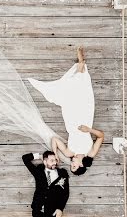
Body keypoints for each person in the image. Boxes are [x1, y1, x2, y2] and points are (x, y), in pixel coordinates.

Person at [27, 46, 105, 174]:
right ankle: (81, 67)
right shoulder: (90, 153)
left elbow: (55, 140)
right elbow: (101, 136)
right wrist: (89, 130)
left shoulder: (70, 152)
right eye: (73, 166)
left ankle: (80, 67)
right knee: (84, 94)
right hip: (86, 120)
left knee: (69, 97)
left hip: (71, 119)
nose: (71, 163)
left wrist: (55, 153)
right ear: (80, 166)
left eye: (71, 166)